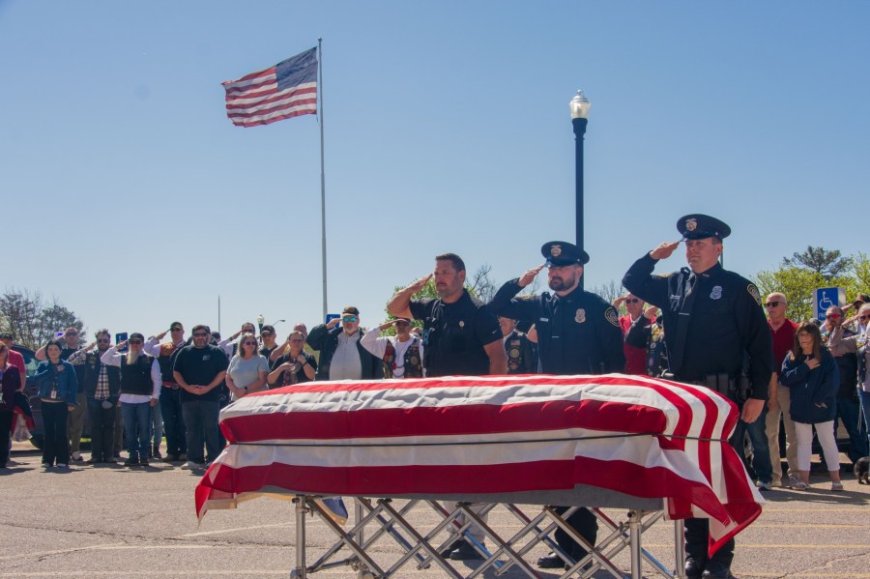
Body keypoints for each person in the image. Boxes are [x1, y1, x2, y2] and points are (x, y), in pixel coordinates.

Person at [623, 214, 773, 579]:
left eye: (700, 243)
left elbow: (761, 345)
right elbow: (632, 281)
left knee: (721, 478)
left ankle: (719, 559)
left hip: (724, 398)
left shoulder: (738, 288)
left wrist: (757, 396)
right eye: (688, 244)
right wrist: (653, 256)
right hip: (686, 400)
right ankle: (694, 555)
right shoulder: (673, 283)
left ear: (718, 248)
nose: (692, 249)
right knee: (690, 479)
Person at [489, 241, 624, 571]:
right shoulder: (540, 304)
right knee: (552, 476)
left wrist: (609, 401)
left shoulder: (598, 307)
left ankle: (582, 550)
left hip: (585, 403)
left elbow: (615, 361)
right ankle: (562, 545)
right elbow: (498, 304)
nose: (555, 273)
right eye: (551, 268)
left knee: (579, 478)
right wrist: (520, 282)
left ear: (578, 270)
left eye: (562, 268)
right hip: (549, 403)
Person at [388, 252, 507, 561]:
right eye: (436, 272)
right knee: (447, 473)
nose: (439, 277)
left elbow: (498, 357)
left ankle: (475, 539)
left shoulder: (480, 312)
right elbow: (394, 308)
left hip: (472, 404)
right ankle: (456, 535)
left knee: (473, 473)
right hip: (438, 404)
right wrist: (416, 286)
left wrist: (492, 400)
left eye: (444, 272)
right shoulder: (432, 309)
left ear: (461, 276)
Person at [780, 321, 843, 490]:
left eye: (808, 334)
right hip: (801, 409)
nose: (804, 338)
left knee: (828, 442)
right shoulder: (792, 356)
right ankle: (804, 481)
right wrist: (805, 367)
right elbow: (785, 378)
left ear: (815, 337)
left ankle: (836, 481)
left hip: (822, 408)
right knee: (803, 443)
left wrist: (820, 400)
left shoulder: (825, 356)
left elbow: (832, 381)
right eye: (801, 334)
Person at [172, 325, 229, 470]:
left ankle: (213, 459)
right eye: (197, 334)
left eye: (203, 334)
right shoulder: (184, 352)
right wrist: (187, 387)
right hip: (188, 397)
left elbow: (223, 372)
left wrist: (208, 387)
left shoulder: (216, 352)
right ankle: (194, 459)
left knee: (211, 428)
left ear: (208, 336)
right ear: (193, 336)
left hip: (211, 397)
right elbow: (176, 373)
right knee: (192, 429)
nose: (200, 337)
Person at [101, 333, 161, 467]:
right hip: (127, 400)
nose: (135, 345)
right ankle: (133, 456)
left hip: (145, 400)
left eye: (138, 342)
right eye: (132, 342)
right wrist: (117, 346)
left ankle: (144, 456)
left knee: (145, 429)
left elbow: (157, 380)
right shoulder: (122, 358)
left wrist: (155, 397)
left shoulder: (151, 359)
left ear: (142, 343)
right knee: (129, 430)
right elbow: (104, 359)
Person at [763, 292, 800, 487]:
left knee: (793, 433)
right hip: (767, 385)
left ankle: (795, 475)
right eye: (767, 304)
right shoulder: (762, 329)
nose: (770, 307)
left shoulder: (796, 329)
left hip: (789, 385)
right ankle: (774, 476)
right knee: (770, 432)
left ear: (784, 306)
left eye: (774, 303)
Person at [67, 330, 121, 464]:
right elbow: (70, 360)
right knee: (95, 427)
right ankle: (95, 456)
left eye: (105, 341)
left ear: (109, 342)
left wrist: (120, 394)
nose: (102, 343)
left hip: (111, 396)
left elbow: (122, 376)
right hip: (93, 396)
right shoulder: (90, 355)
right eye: (100, 341)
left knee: (109, 427)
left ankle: (109, 456)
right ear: (96, 342)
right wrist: (87, 348)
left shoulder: (116, 356)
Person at [824, 305, 869, 462]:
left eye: (835, 316)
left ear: (842, 317)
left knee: (857, 431)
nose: (831, 319)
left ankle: (862, 462)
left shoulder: (855, 336)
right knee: (829, 432)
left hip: (849, 393)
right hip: (830, 394)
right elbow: (831, 348)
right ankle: (830, 463)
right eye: (829, 316)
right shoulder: (823, 337)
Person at [31, 339, 79, 470]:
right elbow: (35, 379)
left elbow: (73, 385)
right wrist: (49, 371)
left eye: (56, 349)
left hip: (61, 403)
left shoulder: (68, 366)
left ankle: (62, 459)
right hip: (46, 403)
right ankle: (47, 459)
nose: (53, 352)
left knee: (61, 432)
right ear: (47, 351)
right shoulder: (43, 365)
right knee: (48, 431)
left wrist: (71, 402)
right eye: (50, 349)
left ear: (60, 351)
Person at [145, 322, 187, 462]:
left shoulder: (188, 347)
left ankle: (184, 451)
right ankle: (171, 451)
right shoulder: (163, 347)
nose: (175, 332)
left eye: (178, 329)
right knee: (168, 422)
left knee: (182, 421)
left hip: (182, 389)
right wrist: (158, 337)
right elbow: (147, 348)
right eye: (173, 330)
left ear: (183, 331)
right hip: (167, 389)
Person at [307, 307, 382, 381]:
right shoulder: (330, 337)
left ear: (358, 320)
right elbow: (311, 341)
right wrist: (326, 326)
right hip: (330, 390)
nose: (349, 322)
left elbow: (377, 368)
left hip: (360, 390)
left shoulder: (368, 339)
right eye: (346, 319)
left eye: (352, 319)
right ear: (341, 321)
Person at [360, 318, 425, 379]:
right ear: (394, 326)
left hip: (412, 389)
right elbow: (365, 341)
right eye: (398, 324)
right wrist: (384, 326)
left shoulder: (419, 344)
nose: (401, 327)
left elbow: (425, 369)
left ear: (410, 327)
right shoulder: (386, 342)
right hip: (391, 389)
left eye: (405, 324)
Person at [614, 293, 654, 375]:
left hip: (645, 374)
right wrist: (614, 307)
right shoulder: (620, 322)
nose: (631, 303)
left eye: (635, 300)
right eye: (628, 301)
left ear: (643, 302)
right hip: (624, 374)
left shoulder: (653, 322)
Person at [226, 333, 268, 400]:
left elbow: (262, 380)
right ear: (242, 345)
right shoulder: (235, 358)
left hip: (255, 399)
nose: (251, 345)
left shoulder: (261, 359)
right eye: (248, 343)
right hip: (236, 399)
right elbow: (228, 378)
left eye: (253, 343)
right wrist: (236, 391)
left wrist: (244, 389)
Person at [0, 342, 22, 469]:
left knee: (4, 434)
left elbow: (18, 386)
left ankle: (2, 460)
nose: (1, 353)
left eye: (3, 350)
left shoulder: (13, 369)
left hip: (6, 406)